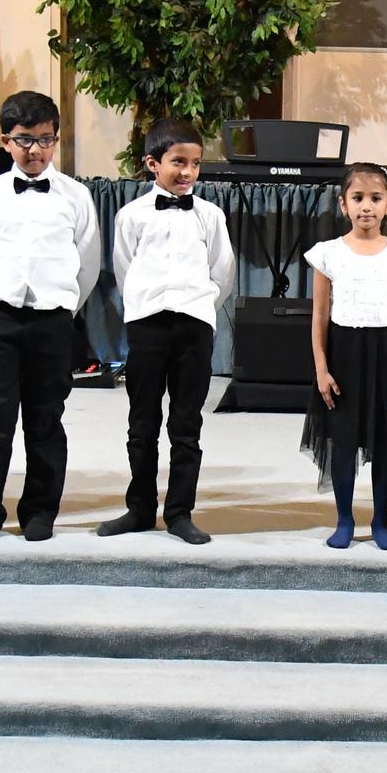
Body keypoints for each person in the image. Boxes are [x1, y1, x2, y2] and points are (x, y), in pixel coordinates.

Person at [0, 90, 100, 544]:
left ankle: (40, 511)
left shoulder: (76, 196)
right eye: (24, 140)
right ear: (6, 141)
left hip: (51, 321)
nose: (35, 150)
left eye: (45, 139)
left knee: (45, 420)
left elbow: (88, 262)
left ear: (56, 139)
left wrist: (62, 306)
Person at [97, 121, 234, 543]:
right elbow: (124, 268)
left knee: (186, 424)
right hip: (148, 325)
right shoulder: (131, 215)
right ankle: (139, 508)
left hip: (194, 325)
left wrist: (199, 306)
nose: (187, 171)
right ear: (153, 164)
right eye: (178, 162)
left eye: (195, 163)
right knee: (142, 422)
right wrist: (146, 306)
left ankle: (179, 513)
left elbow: (222, 273)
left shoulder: (210, 216)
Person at [302, 164, 387, 550]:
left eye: (375, 198)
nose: (366, 206)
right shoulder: (328, 254)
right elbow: (320, 315)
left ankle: (381, 521)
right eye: (357, 198)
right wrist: (321, 369)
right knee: (343, 440)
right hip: (344, 354)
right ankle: (344, 520)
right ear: (343, 205)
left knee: (386, 441)